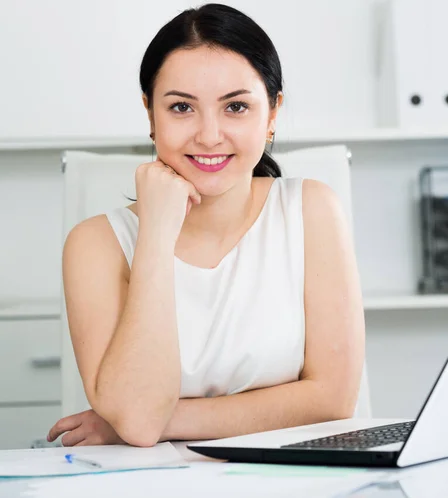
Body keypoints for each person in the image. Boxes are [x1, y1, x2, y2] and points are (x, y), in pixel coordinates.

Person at [47, 3, 364, 447]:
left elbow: (333, 399)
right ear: (150, 114)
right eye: (181, 107)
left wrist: (158, 419)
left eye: (235, 106)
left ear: (272, 114)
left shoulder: (313, 211)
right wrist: (156, 233)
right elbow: (138, 420)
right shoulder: (94, 244)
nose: (210, 135)